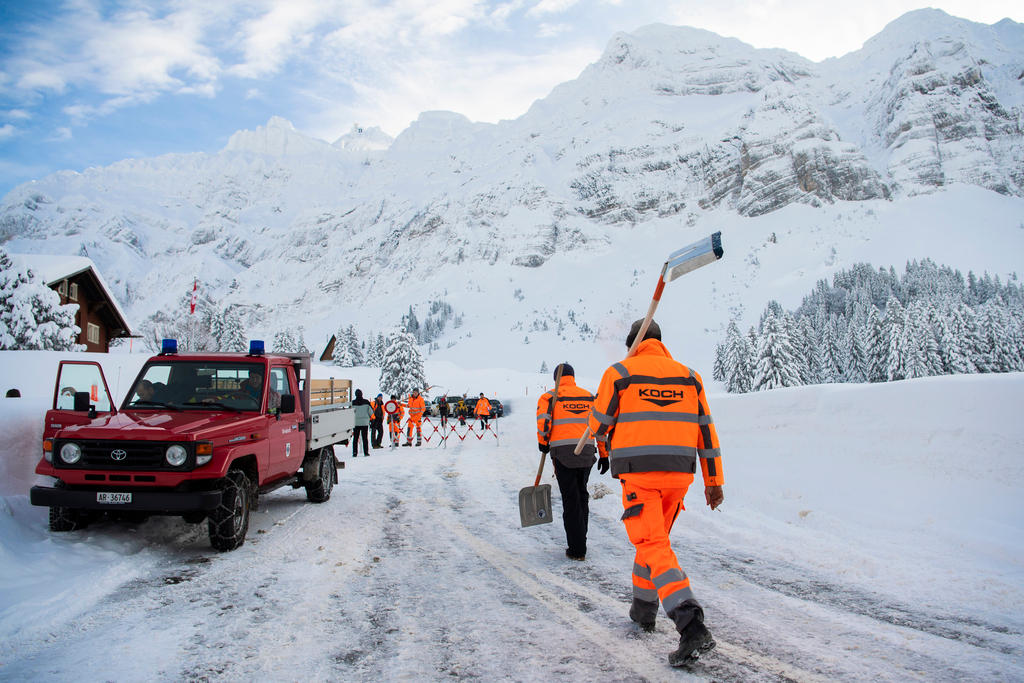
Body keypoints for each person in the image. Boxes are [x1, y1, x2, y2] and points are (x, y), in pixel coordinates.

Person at [588, 318, 725, 668]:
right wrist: (713, 481)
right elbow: (705, 433)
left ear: (633, 344)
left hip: (640, 476)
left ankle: (690, 624)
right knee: (654, 541)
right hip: (679, 476)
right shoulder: (690, 377)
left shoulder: (619, 373)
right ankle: (644, 609)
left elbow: (599, 425)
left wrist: (599, 430)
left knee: (652, 545)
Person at [536, 363, 598, 561]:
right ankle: (581, 540)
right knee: (582, 495)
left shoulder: (550, 397)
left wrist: (543, 443)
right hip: (587, 451)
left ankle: (577, 549)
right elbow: (600, 425)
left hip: (562, 454)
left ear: (556, 378)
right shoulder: (589, 396)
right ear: (573, 376)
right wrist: (604, 453)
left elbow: (544, 422)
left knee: (570, 499)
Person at [351, 389, 372, 457]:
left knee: (355, 439)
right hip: (364, 422)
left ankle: (354, 452)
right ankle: (366, 452)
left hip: (356, 423)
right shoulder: (366, 402)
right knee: (365, 438)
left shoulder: (352, 403)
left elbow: (349, 413)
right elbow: (371, 412)